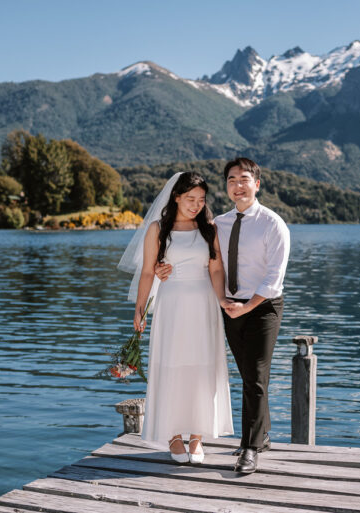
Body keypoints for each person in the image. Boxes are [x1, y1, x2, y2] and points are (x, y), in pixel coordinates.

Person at [157, 157, 290, 474]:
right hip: (229, 306)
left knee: (255, 375)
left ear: (257, 184)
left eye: (244, 179)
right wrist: (165, 269)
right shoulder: (217, 224)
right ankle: (262, 435)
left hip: (263, 306)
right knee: (248, 375)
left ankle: (250, 448)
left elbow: (274, 279)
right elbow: (203, 264)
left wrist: (247, 306)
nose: (237, 185)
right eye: (231, 180)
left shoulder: (273, 224)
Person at [118, 171, 233, 465]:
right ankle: (173, 435)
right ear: (177, 197)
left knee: (201, 367)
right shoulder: (158, 229)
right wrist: (139, 309)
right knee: (172, 366)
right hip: (172, 305)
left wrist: (222, 299)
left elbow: (216, 269)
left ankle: (197, 436)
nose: (196, 204)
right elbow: (147, 272)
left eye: (201, 199)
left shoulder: (209, 229)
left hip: (205, 305)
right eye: (190, 198)